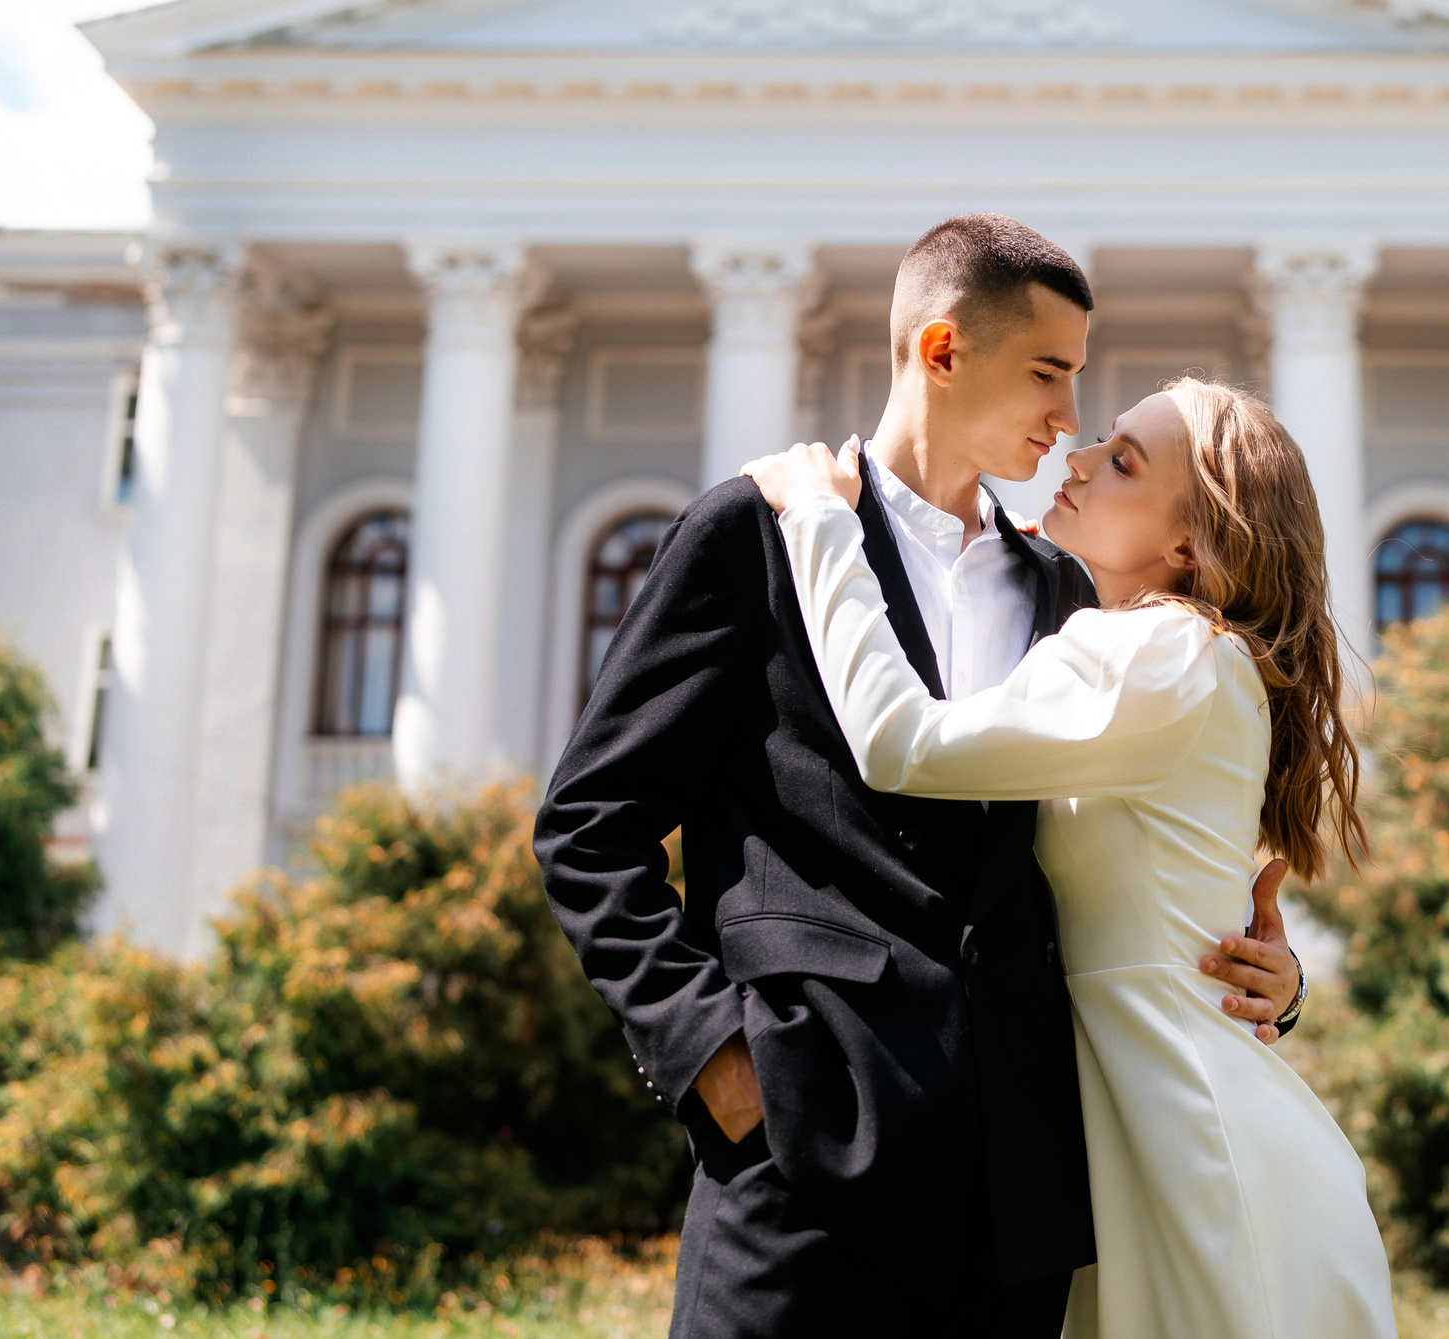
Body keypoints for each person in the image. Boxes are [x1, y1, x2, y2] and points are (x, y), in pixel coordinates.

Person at [534, 215, 1306, 1339]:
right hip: (802, 1150)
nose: (1068, 417)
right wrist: (715, 1056)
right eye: (1049, 373)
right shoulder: (756, 534)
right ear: (943, 351)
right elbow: (589, 823)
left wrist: (1268, 977)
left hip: (1025, 1190)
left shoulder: (1072, 594)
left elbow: (1124, 857)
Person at [741, 376, 1396, 1339]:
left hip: (1194, 1150)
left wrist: (820, 524)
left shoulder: (1163, 654)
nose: (1077, 459)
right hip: (1127, 1143)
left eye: (1123, 460)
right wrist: (1279, 983)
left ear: (1188, 545)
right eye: (1101, 436)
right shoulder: (1164, 655)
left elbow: (900, 744)